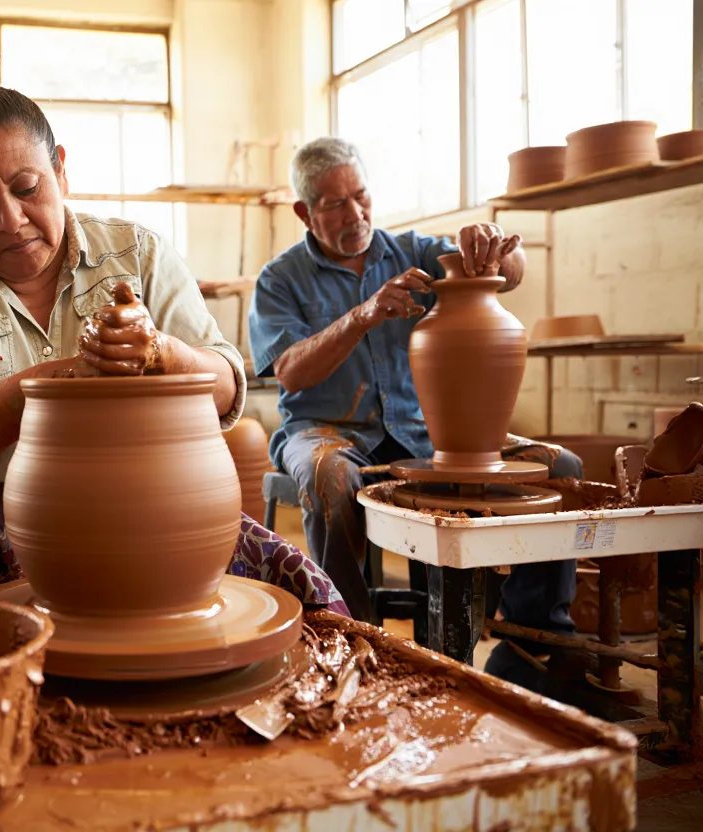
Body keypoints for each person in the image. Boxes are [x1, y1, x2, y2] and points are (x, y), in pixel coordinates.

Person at [0, 41, 348, 618]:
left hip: (142, 508)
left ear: (60, 167)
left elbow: (226, 389)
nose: (10, 221)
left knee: (309, 600)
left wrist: (165, 355)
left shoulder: (138, 253)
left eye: (26, 187)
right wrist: (57, 381)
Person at [247, 137, 581, 677]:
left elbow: (509, 272)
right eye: (335, 204)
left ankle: (533, 641)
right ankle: (350, 640)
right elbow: (291, 370)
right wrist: (363, 315)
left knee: (561, 469)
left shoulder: (415, 252)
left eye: (361, 196)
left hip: (429, 432)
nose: (356, 214)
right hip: (326, 428)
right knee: (331, 479)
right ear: (305, 212)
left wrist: (497, 247)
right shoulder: (280, 279)